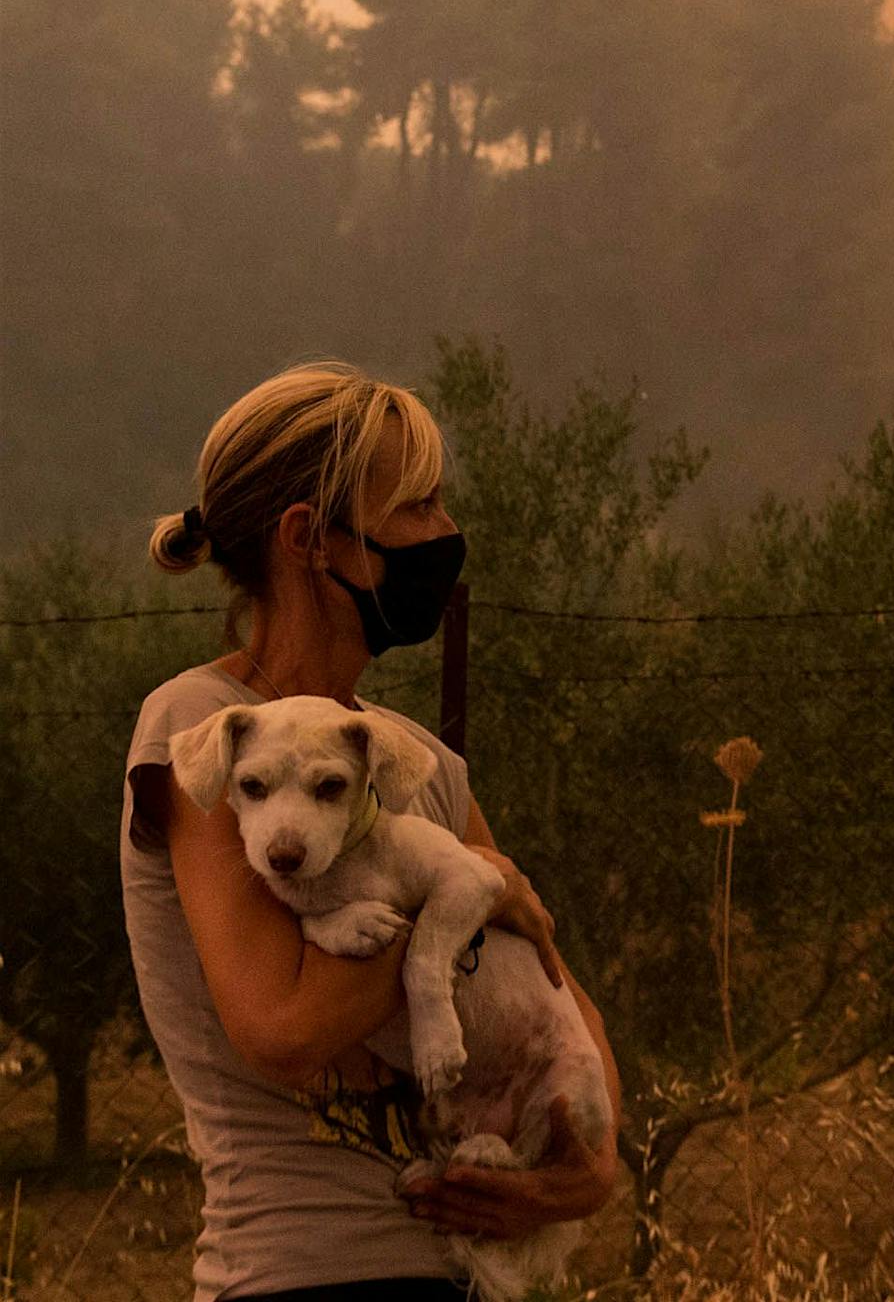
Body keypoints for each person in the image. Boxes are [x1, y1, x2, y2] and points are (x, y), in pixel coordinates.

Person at [121, 361, 622, 1302]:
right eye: (418, 508)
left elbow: (561, 991)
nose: (446, 536)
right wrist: (462, 879)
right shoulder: (202, 730)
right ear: (313, 538)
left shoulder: (412, 761)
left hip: (465, 1273)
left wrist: (589, 1170)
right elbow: (285, 1026)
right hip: (304, 1272)